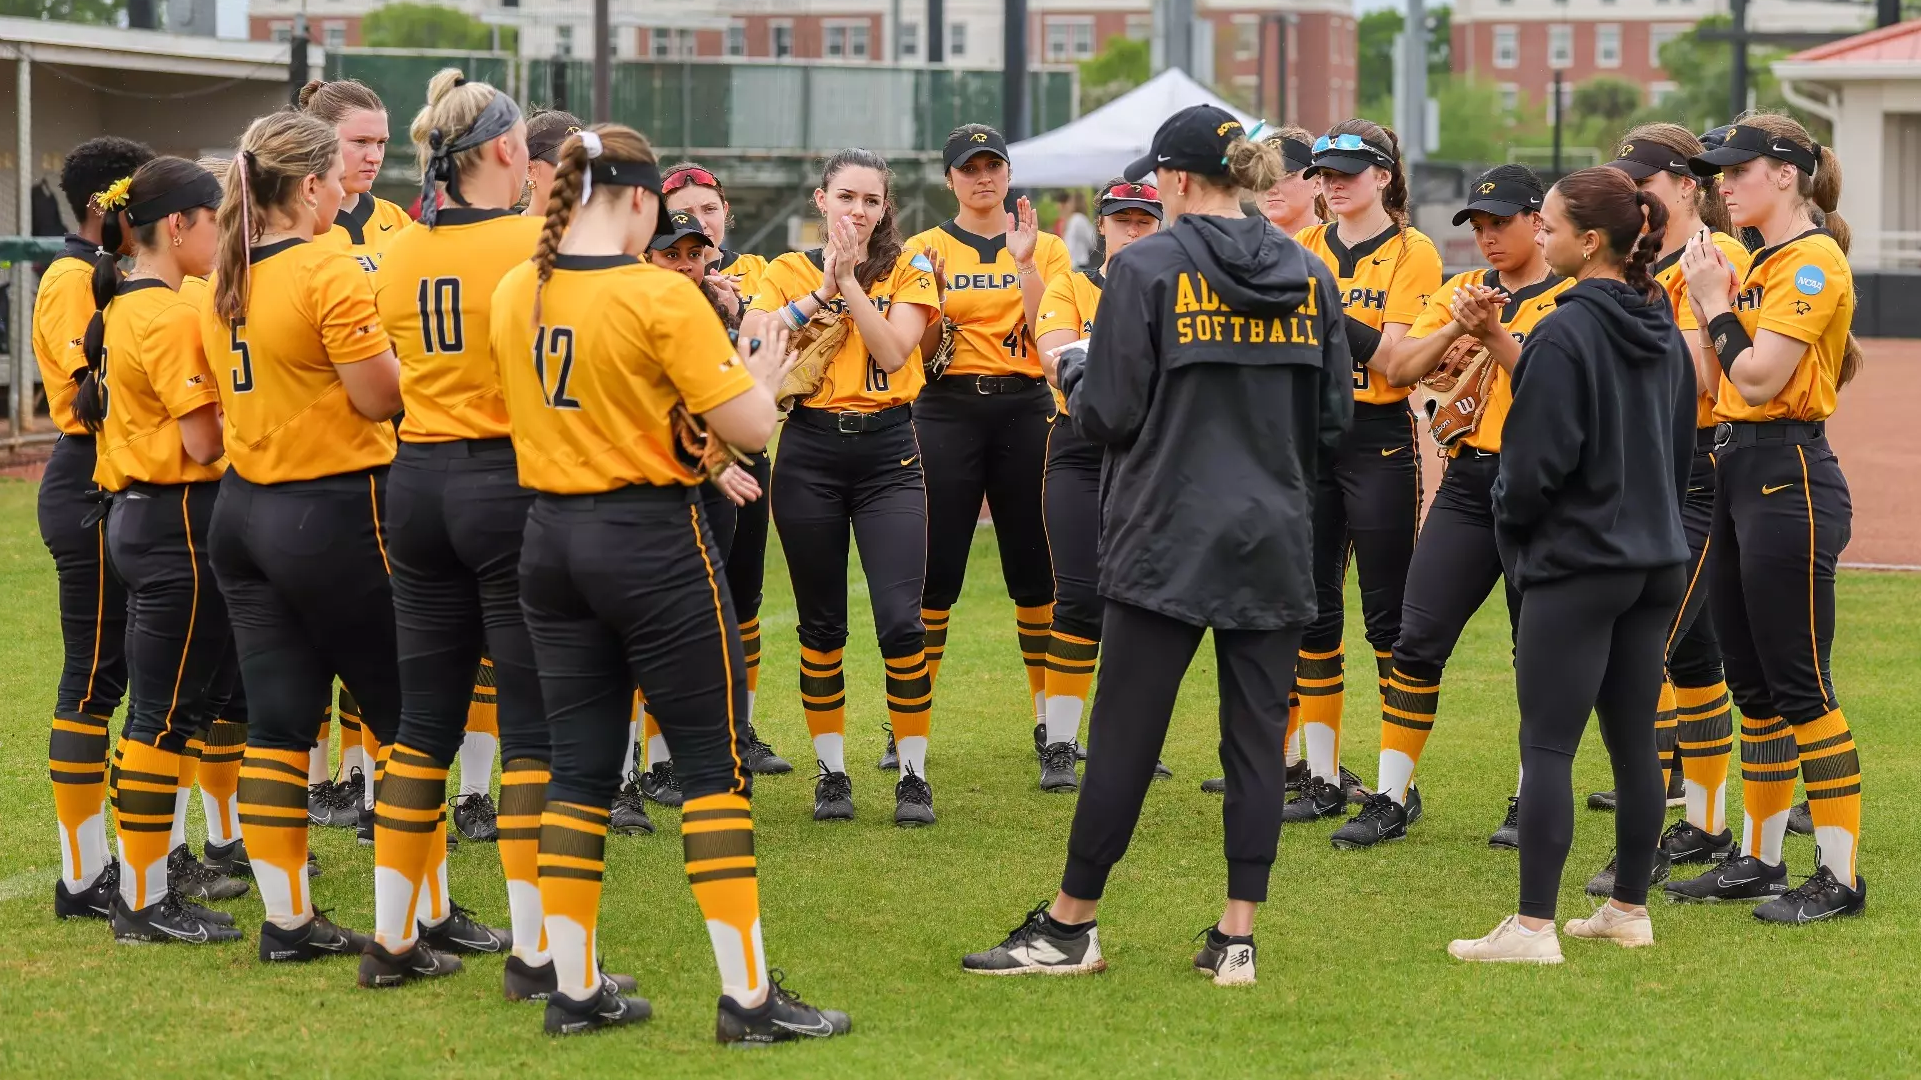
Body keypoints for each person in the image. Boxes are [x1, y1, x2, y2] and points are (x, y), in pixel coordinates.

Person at [961, 105, 1351, 986]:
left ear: (1173, 180)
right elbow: (1331, 420)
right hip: (1276, 533)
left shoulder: (1143, 268)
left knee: (1126, 734)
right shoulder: (1306, 271)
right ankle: (1236, 936)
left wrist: (1074, 368)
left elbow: (1107, 415)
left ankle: (1070, 926)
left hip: (1167, 530)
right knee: (1256, 745)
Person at [489, 121, 850, 1040]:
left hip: (549, 539)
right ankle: (749, 998)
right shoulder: (658, 294)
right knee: (711, 770)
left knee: (576, 772)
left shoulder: (513, 289)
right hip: (648, 539)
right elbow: (752, 425)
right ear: (645, 201)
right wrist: (762, 369)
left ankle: (574, 987)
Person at [1448, 166, 1695, 962]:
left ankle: (1530, 927)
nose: (1538, 237)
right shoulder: (1660, 320)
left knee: (1546, 746)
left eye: (1547, 227)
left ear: (1590, 242)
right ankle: (1627, 908)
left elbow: (1530, 470)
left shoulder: (1561, 327)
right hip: (1654, 561)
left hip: (1579, 561)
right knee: (1632, 744)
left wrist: (1514, 534)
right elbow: (1674, 444)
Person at [362, 69, 553, 991]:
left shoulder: (397, 248)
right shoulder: (534, 241)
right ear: (510, 150)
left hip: (417, 479)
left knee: (424, 724)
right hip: (505, 480)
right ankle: (536, 950)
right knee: (530, 729)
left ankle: (391, 941)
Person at [200, 110, 403, 963]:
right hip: (329, 509)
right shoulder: (327, 265)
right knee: (407, 717)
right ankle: (416, 917)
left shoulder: (227, 267)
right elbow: (378, 397)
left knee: (279, 726)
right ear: (312, 185)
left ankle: (288, 920)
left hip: (244, 511)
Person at [1332, 165, 1573, 850]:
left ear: (1538, 220)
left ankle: (1531, 799)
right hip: (1469, 486)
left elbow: (1551, 384)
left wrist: (1491, 335)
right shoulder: (1465, 290)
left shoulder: (1574, 295)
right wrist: (1455, 329)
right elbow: (1401, 368)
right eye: (1479, 225)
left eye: (1502, 221)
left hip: (1546, 492)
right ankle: (1389, 795)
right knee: (1415, 639)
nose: (1489, 237)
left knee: (1539, 654)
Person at [1668, 114, 1866, 922]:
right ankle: (1757, 855)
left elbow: (1754, 378)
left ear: (1784, 174)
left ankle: (1840, 877)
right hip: (1739, 470)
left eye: (1736, 171)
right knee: (1751, 683)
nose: (1722, 184)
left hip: (1789, 474)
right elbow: (1713, 378)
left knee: (1799, 685)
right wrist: (1706, 296)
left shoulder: (1811, 262)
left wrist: (1714, 298)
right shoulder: (1759, 260)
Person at [77, 156, 253, 943]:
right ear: (178, 225)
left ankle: (147, 887)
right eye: (215, 218)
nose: (222, 234)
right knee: (159, 715)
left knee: (177, 709)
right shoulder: (169, 312)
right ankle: (142, 902)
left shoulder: (125, 302)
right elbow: (203, 438)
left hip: (146, 515)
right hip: (175, 517)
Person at [747, 148, 939, 825]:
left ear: (886, 209)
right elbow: (755, 340)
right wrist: (824, 287)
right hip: (809, 453)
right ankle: (832, 774)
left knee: (900, 622)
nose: (859, 211)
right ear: (820, 199)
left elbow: (893, 351)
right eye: (847, 197)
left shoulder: (911, 267)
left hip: (889, 453)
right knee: (821, 625)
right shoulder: (782, 271)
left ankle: (912, 776)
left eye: (871, 200)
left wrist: (850, 282)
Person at [1579, 126, 1749, 891]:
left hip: (1701, 471)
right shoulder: (1641, 265)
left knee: (1643, 651)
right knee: (1689, 659)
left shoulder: (1714, 261)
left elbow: (1707, 379)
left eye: (1642, 181)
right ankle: (1705, 825)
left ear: (1685, 184)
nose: (1631, 194)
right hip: (1651, 469)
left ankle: (1656, 835)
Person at [615, 164, 788, 829]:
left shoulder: (716, 302)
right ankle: (621, 776)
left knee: (696, 623)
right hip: (643, 483)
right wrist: (716, 454)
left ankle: (665, 765)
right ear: (645, 250)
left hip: (707, 474)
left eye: (697, 249)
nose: (687, 261)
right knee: (632, 632)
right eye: (672, 250)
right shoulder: (632, 303)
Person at [1283, 119, 1443, 822]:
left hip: (1376, 436)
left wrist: (1322, 305)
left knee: (1387, 618)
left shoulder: (1414, 252)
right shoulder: (1303, 246)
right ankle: (1320, 778)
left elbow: (1395, 360)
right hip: (1309, 438)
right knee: (1312, 613)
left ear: (1382, 176)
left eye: (1348, 171)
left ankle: (1391, 789)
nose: (1332, 184)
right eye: (1322, 173)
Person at [906, 125, 1071, 772]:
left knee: (1036, 575)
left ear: (1008, 173)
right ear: (949, 178)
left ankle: (1049, 725)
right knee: (933, 574)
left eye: (992, 166)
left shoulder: (1047, 247)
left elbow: (1045, 331)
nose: (982, 177)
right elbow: (914, 352)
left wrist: (1025, 262)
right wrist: (940, 306)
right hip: (945, 409)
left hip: (1024, 407)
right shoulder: (921, 248)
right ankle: (907, 722)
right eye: (968, 168)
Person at [36, 135, 154, 921]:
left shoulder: (102, 273)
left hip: (113, 481)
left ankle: (136, 855)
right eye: (135, 198)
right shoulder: (73, 277)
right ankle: (82, 878)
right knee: (93, 679)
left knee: (128, 677)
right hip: (89, 483)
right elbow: (90, 397)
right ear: (101, 206)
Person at [296, 77, 415, 829]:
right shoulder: (290, 230)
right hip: (305, 449)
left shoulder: (398, 222)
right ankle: (312, 781)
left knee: (382, 627)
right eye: (359, 142)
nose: (374, 155)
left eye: (381, 142)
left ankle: (370, 783)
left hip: (385, 445)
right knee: (304, 635)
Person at [1030, 177, 1164, 792]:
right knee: (1081, 594)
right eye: (1121, 219)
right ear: (1102, 225)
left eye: (1144, 219)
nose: (1132, 230)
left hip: (1150, 454)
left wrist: (1099, 358)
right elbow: (1055, 355)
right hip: (1082, 449)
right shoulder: (1073, 283)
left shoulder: (1175, 288)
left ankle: (1125, 741)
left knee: (1140, 602)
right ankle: (1059, 741)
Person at [1257, 128, 1322, 239]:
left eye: (1285, 175)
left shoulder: (1343, 248)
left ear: (1317, 184)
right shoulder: (1242, 249)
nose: (1271, 189)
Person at [522, 107, 582, 218]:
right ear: (529, 170)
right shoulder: (504, 232)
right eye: (564, 164)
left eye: (584, 163)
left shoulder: (601, 232)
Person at [1054, 189, 1097, 268]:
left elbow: (1092, 241)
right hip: (1077, 262)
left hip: (1075, 262)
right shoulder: (1077, 219)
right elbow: (1092, 241)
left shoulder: (1075, 219)